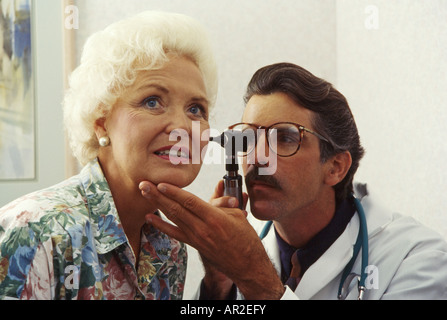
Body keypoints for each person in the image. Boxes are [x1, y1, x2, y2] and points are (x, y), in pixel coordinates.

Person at [139, 62, 447, 300]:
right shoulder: (250, 252)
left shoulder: (418, 260)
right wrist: (220, 284)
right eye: (248, 138)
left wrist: (255, 277)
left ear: (336, 167)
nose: (258, 157)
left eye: (285, 138)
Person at [0, 11, 217, 300]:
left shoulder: (171, 249)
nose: (181, 127)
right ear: (101, 121)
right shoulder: (37, 232)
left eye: (195, 109)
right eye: (152, 102)